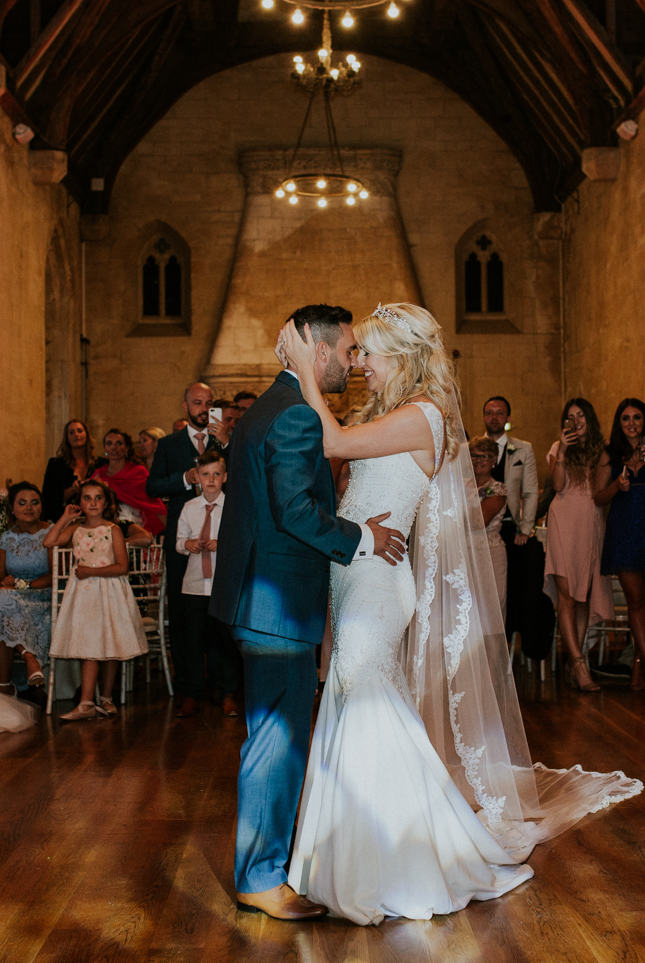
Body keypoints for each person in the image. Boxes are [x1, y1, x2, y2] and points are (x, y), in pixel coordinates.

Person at [275, 303, 641, 925]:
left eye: (368, 351)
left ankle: (401, 857)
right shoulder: (394, 414)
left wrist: (301, 366)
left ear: (403, 354)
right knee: (350, 696)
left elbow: (332, 440)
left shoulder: (424, 415)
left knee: (366, 697)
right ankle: (348, 851)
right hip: (356, 571)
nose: (358, 361)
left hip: (379, 581)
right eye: (354, 352)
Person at [208, 304, 407, 921]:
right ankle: (261, 878)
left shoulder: (268, 408)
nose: (352, 362)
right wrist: (364, 539)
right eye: (347, 351)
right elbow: (295, 511)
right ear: (318, 351)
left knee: (271, 736)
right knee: (276, 742)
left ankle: (266, 865)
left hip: (259, 600)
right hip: (275, 606)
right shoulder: (295, 414)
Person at [44, 480, 146, 721]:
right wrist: (65, 517)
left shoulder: (113, 530)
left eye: (97, 498)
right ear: (79, 502)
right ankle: (86, 703)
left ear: (106, 503)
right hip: (83, 595)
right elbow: (49, 542)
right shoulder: (75, 530)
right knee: (90, 645)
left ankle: (105, 698)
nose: (92, 503)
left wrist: (92, 572)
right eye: (86, 498)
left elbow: (122, 566)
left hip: (108, 591)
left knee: (110, 645)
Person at [596, 398, 645, 695]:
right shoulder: (609, 454)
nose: (632, 424)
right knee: (636, 599)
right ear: (619, 423)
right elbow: (598, 497)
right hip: (624, 529)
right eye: (626, 418)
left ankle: (639, 665)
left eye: (637, 418)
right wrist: (618, 486)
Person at [149, 383, 226, 662]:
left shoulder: (223, 441)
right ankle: (188, 686)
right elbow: (152, 486)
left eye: (208, 403)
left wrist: (227, 442)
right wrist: (184, 478)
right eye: (197, 403)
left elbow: (241, 478)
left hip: (220, 535)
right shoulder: (169, 444)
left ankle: (222, 683)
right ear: (186, 407)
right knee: (182, 611)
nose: (203, 409)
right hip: (183, 539)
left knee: (221, 612)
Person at [543, 398, 614, 692]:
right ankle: (578, 662)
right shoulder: (557, 448)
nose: (575, 421)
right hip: (562, 520)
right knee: (567, 596)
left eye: (580, 415)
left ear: (590, 418)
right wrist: (562, 450)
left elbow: (600, 491)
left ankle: (577, 655)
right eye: (570, 417)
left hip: (590, 522)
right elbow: (558, 485)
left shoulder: (603, 451)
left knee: (583, 593)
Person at [172, 450, 242, 718]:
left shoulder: (233, 507)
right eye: (205, 474)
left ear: (224, 477)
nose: (211, 479)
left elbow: (240, 542)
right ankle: (191, 693)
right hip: (194, 585)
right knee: (193, 642)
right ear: (197, 478)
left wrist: (221, 545)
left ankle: (227, 693)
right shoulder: (189, 508)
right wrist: (189, 544)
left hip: (223, 586)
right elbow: (179, 542)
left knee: (225, 642)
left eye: (216, 474)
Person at [0, 482, 54, 694]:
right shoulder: (7, 538)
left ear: (41, 507)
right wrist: (6, 582)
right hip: (15, 598)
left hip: (44, 598)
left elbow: (55, 575)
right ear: (13, 508)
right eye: (22, 503)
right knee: (0, 600)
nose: (29, 507)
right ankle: (28, 657)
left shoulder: (52, 532)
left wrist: (23, 585)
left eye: (34, 503)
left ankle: (5, 684)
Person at [480, 396, 539, 629]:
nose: (494, 417)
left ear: (508, 418)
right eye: (489, 412)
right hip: (480, 527)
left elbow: (531, 491)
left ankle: (505, 639)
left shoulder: (523, 449)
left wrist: (526, 527)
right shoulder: (469, 449)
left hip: (509, 527)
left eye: (499, 412)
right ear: (484, 417)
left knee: (509, 590)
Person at [89, 428, 166, 534]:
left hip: (138, 527)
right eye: (109, 443)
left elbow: (152, 502)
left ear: (127, 448)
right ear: (105, 448)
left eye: (119, 443)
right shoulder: (98, 475)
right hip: (105, 527)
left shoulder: (138, 472)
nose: (113, 447)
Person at [470, 436, 509, 613]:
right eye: (474, 455)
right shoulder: (457, 486)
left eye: (484, 456)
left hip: (489, 552)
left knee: (489, 610)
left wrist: (452, 515)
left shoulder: (498, 488)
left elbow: (481, 520)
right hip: (463, 553)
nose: (479, 460)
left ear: (493, 460)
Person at [42, 420, 105, 522]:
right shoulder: (56, 464)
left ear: (86, 435)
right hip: (64, 519)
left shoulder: (100, 464)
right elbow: (49, 498)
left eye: (79, 431)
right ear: (67, 438)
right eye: (71, 432)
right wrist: (72, 490)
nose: (76, 434)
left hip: (96, 519)